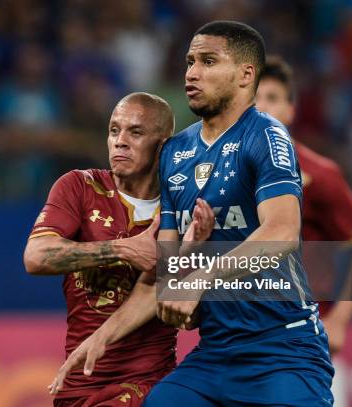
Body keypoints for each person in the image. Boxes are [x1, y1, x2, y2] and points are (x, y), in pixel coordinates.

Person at [49, 21, 334, 406]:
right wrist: (101, 336)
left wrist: (200, 277)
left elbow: (282, 231)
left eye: (208, 61)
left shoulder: (265, 136)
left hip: (283, 349)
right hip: (215, 355)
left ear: (245, 75)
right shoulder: (175, 153)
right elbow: (160, 278)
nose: (192, 73)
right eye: (189, 61)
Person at [24, 92, 214, 407]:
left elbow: (189, 318)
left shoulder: (185, 209)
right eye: (114, 130)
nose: (119, 141)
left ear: (163, 146)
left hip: (147, 385)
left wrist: (190, 256)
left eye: (135, 132)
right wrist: (122, 249)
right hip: (78, 381)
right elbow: (35, 256)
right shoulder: (80, 187)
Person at [255, 55, 352, 354]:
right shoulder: (223, 170)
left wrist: (339, 319)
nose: (261, 107)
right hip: (237, 335)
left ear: (290, 110)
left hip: (299, 337)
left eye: (272, 98)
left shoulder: (319, 174)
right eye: (254, 98)